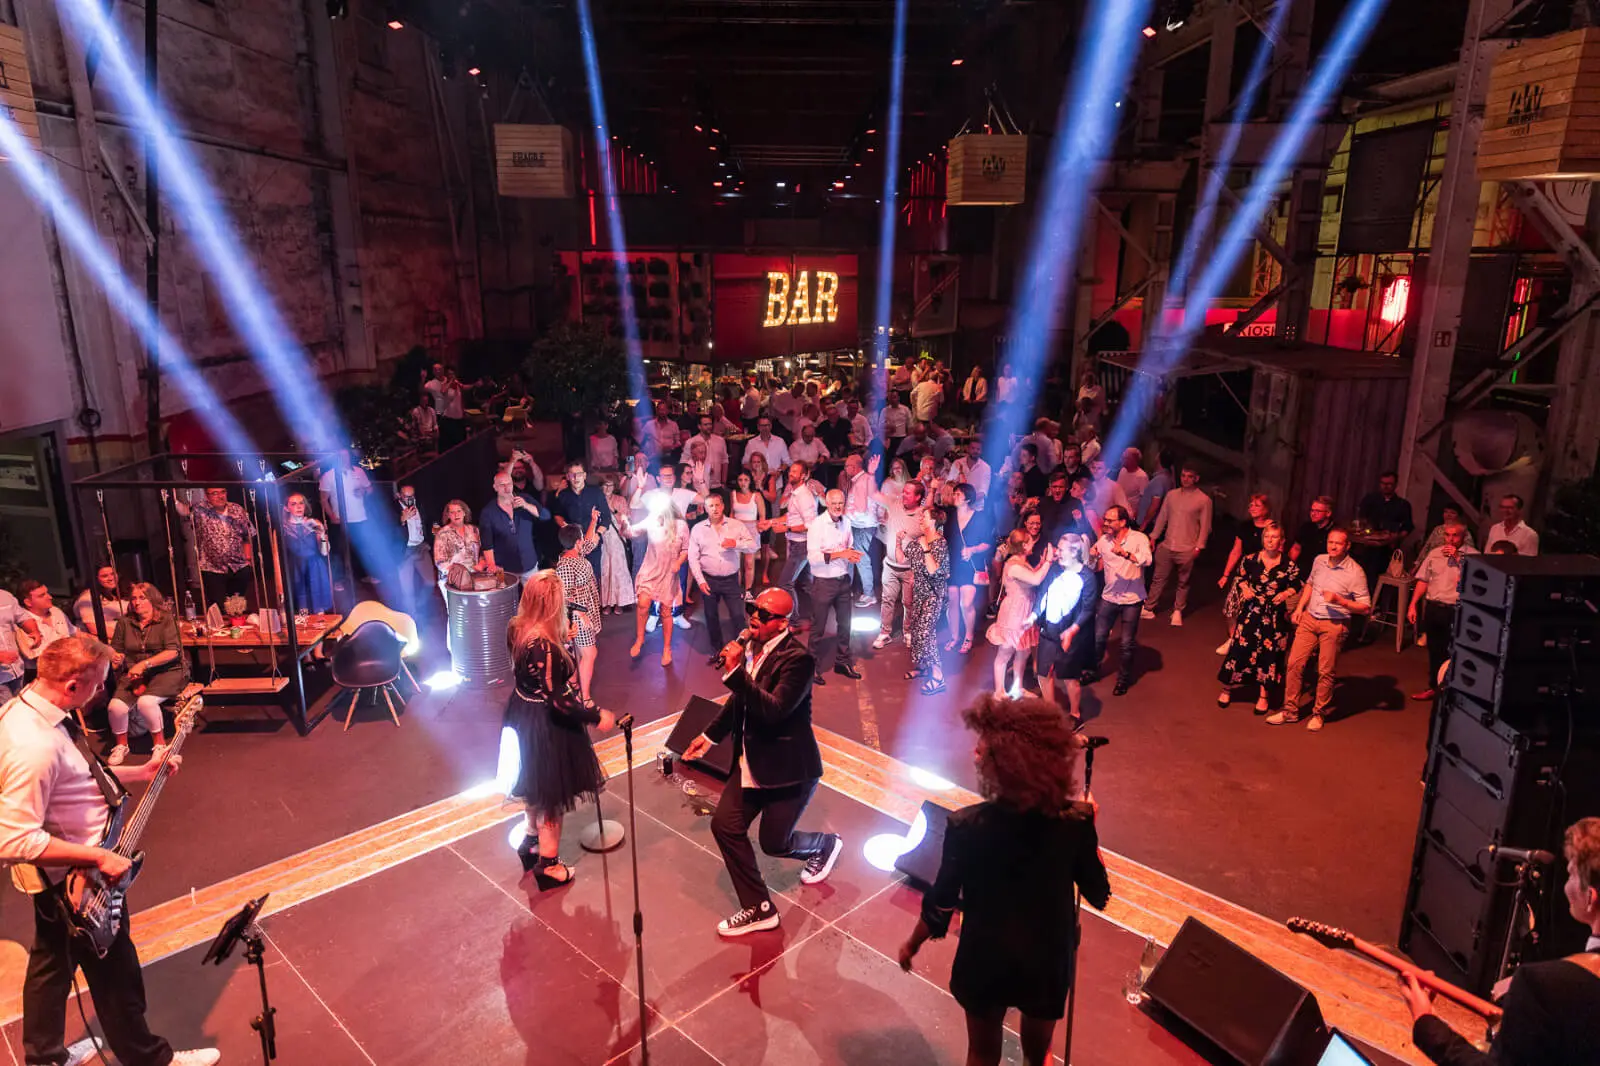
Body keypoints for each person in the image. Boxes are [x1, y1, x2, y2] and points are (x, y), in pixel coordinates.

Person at [0, 636, 220, 1066]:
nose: (103, 693)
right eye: (98, 684)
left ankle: (44, 1058)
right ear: (73, 684)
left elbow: (78, 775)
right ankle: (149, 1060)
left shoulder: (33, 710)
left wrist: (140, 771)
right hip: (79, 883)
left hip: (65, 879)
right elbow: (13, 839)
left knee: (51, 967)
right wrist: (100, 857)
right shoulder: (34, 746)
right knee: (117, 974)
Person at [898, 694, 1110, 1066]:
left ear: (1006, 767)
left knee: (981, 1054)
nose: (974, 756)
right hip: (1045, 962)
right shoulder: (1073, 825)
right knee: (1036, 1056)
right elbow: (1098, 893)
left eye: (982, 753)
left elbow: (941, 901)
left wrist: (913, 944)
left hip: (985, 959)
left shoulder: (965, 826)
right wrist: (1091, 835)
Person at [682, 587, 842, 936]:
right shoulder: (753, 646)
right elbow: (739, 702)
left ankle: (825, 844)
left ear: (783, 622)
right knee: (724, 825)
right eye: (753, 609)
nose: (755, 616)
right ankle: (758, 908)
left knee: (774, 844)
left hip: (788, 771)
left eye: (765, 614)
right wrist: (708, 737)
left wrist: (737, 673)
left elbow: (774, 710)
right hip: (752, 762)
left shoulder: (798, 661)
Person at [1403, 816, 1600, 1065]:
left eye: (1571, 875)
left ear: (1590, 898)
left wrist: (1425, 1021)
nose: (1566, 886)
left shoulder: (1544, 987)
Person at [503, 572, 617, 890]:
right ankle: (548, 865)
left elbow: (533, 674)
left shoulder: (517, 628)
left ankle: (529, 841)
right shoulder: (545, 647)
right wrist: (596, 715)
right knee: (554, 793)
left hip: (522, 711)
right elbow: (559, 702)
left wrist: (563, 638)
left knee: (534, 784)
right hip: (545, 723)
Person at [1267, 528, 1371, 732]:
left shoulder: (1355, 571)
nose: (1332, 546)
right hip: (1310, 618)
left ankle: (1318, 714)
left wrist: (1340, 600)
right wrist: (1299, 608)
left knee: (1325, 671)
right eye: (1330, 542)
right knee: (1294, 664)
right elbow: (1310, 585)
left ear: (1347, 546)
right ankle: (1290, 711)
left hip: (1334, 624)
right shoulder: (1320, 560)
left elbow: (1366, 606)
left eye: (1338, 543)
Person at [1217, 523, 1302, 713]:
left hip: (1274, 615)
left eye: (1274, 537)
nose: (1270, 541)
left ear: (1281, 541)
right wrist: (1246, 589)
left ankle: (1263, 696)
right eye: (1267, 537)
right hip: (1251, 611)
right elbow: (1240, 577)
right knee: (1239, 649)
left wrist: (1285, 593)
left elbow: (1297, 584)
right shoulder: (1250, 559)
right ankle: (1227, 689)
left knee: (1269, 654)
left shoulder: (1288, 565)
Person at [103, 583, 186, 766]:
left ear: (153, 600)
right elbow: (116, 649)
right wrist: (116, 657)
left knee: (146, 702)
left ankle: (159, 746)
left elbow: (173, 652)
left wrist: (144, 664)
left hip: (166, 671)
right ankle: (121, 746)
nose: (137, 602)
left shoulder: (165, 619)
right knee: (115, 707)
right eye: (133, 598)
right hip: (136, 674)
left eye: (142, 598)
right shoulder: (125, 622)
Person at [1407, 523, 1477, 702]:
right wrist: (1413, 604)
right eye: (1447, 535)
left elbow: (1475, 583)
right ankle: (1434, 687)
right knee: (1434, 650)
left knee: (1454, 650)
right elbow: (1423, 580)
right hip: (1434, 607)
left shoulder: (1474, 557)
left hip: (1456, 610)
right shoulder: (1435, 553)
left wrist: (1459, 560)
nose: (1450, 539)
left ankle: (1453, 691)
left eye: (1455, 536)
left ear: (1463, 537)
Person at [690, 490, 759, 666]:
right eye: (710, 506)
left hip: (730, 580)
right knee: (711, 616)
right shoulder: (698, 529)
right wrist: (700, 580)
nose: (715, 509)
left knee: (738, 616)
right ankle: (717, 650)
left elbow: (753, 545)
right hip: (709, 579)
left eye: (717, 505)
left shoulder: (736, 525)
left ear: (723, 506)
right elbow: (692, 557)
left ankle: (745, 652)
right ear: (706, 509)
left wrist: (736, 544)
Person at [805, 489, 864, 687]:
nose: (838, 506)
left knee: (846, 625)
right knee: (818, 629)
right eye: (835, 503)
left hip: (843, 581)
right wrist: (841, 554)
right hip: (823, 583)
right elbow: (813, 558)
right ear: (827, 503)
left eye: (841, 503)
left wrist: (852, 555)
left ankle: (842, 661)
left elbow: (849, 547)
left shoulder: (846, 522)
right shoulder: (817, 525)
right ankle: (811, 667)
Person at [1093, 506, 1153, 696]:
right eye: (1106, 519)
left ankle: (1123, 680)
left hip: (1132, 600)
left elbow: (1147, 560)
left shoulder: (1139, 539)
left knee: (1126, 643)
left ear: (1123, 522)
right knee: (1098, 637)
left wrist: (1126, 554)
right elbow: (1094, 563)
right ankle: (1093, 670)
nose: (1106, 523)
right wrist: (1091, 557)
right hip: (1109, 597)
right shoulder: (1104, 540)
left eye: (1110, 520)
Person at [1037, 535, 1098, 721]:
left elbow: (1088, 609)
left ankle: (1075, 714)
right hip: (1048, 631)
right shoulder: (1055, 570)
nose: (1057, 552)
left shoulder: (1087, 577)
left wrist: (1072, 631)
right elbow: (1043, 595)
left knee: (1070, 677)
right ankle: (1050, 712)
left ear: (1074, 552)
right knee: (1043, 672)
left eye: (1061, 549)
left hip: (1071, 635)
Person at [988, 531, 1053, 699]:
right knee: (1005, 651)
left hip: (1024, 610)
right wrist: (1048, 561)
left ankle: (1017, 687)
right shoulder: (1014, 565)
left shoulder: (1021, 562)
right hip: (1014, 612)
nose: (1033, 544)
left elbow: (1030, 578)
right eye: (1031, 542)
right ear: (1024, 545)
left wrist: (1040, 564)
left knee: (1023, 651)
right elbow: (1035, 580)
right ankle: (999, 691)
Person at [1143, 464, 1211, 626]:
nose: (1185, 479)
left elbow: (1205, 525)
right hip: (1167, 544)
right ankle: (1149, 607)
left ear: (1196, 478)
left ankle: (1178, 610)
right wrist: (1153, 537)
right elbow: (1163, 517)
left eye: (1189, 476)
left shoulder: (1203, 500)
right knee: (1158, 578)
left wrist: (1199, 546)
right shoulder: (1172, 495)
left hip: (1187, 546)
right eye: (1183, 476)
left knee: (1183, 581)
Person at [869, 468, 927, 650]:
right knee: (887, 599)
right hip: (890, 565)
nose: (903, 495)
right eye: (904, 491)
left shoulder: (923, 515)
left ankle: (908, 631)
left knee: (909, 603)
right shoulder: (894, 504)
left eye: (908, 493)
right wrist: (871, 474)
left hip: (910, 568)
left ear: (918, 497)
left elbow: (930, 542)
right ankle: (885, 633)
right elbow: (873, 494)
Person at [628, 499, 689, 666]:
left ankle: (667, 649)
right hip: (650, 569)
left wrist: (678, 562)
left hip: (669, 572)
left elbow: (685, 549)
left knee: (665, 611)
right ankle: (640, 639)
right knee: (643, 603)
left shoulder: (681, 525)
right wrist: (624, 525)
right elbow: (631, 532)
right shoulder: (651, 521)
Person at [174, 486, 255, 610]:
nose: (220, 496)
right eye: (214, 493)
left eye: (223, 492)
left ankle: (236, 627)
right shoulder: (200, 510)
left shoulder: (237, 510)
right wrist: (173, 496)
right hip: (212, 569)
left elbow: (248, 535)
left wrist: (248, 560)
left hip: (238, 567)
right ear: (207, 496)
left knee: (237, 606)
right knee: (218, 607)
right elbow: (183, 510)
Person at [1216, 492, 1273, 655]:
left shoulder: (1272, 527)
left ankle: (1254, 645)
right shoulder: (1245, 526)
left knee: (1258, 611)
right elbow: (1236, 550)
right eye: (1251, 505)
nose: (1252, 508)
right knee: (1230, 609)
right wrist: (1225, 574)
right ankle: (1233, 640)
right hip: (1245, 572)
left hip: (1265, 572)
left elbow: (1279, 551)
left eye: (1257, 505)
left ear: (1266, 509)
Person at [903, 506, 952, 695]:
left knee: (926, 633)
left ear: (933, 521)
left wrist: (925, 549)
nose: (920, 519)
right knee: (916, 631)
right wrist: (900, 543)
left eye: (923, 516)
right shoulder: (919, 541)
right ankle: (924, 668)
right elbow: (907, 561)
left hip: (933, 596)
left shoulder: (940, 544)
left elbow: (934, 570)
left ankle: (938, 678)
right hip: (919, 594)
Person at [945, 484, 992, 655]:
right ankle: (954, 636)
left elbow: (988, 543)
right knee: (952, 601)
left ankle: (969, 636)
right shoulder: (950, 516)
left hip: (971, 565)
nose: (954, 496)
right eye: (954, 493)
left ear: (968, 498)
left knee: (966, 603)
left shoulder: (980, 518)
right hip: (953, 563)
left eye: (958, 494)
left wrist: (972, 550)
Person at [552, 460, 614, 588]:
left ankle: (593, 607)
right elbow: (557, 514)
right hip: (571, 545)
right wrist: (564, 526)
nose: (576, 478)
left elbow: (607, 517)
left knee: (593, 579)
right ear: (568, 477)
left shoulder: (596, 493)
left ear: (585, 475)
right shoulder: (563, 495)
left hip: (592, 544)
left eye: (579, 474)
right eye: (572, 474)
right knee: (571, 582)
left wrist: (597, 534)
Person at [318, 450, 374, 587]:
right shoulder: (328, 476)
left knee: (361, 548)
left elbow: (370, 489)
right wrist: (332, 516)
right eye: (341, 457)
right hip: (340, 519)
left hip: (360, 517)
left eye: (346, 456)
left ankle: (363, 575)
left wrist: (364, 491)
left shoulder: (359, 472)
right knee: (338, 550)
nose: (344, 459)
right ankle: (339, 580)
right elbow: (323, 499)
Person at [479, 470, 544, 584]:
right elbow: (487, 542)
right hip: (503, 568)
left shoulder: (525, 499)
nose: (506, 488)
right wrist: (492, 565)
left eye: (509, 484)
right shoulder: (488, 512)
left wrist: (526, 505)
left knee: (535, 598)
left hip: (529, 564)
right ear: (495, 487)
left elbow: (544, 515)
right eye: (502, 485)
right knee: (505, 600)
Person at [774, 461, 820, 620]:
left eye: (795, 472)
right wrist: (773, 522)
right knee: (807, 584)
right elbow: (792, 516)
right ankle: (817, 616)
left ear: (804, 476)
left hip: (801, 545)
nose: (790, 473)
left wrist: (786, 528)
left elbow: (810, 524)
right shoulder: (795, 493)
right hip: (798, 544)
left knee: (785, 583)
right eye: (790, 471)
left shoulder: (804, 496)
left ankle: (793, 620)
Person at [1355, 470, 1415, 585]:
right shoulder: (1370, 499)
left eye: (1389, 484)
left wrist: (1396, 537)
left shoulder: (1402, 504)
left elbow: (1408, 526)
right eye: (1383, 483)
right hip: (1366, 545)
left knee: (1379, 574)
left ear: (1395, 485)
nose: (1385, 486)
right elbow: (1361, 518)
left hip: (1388, 549)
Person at [281, 492, 333, 614]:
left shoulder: (313, 523)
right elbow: (276, 556)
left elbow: (325, 553)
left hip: (315, 568)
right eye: (294, 504)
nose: (299, 507)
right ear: (287, 508)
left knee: (318, 609)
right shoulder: (283, 527)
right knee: (301, 609)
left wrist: (321, 534)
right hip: (295, 570)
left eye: (301, 503)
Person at [839, 455, 878, 607]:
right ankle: (846, 589)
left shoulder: (862, 482)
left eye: (847, 466)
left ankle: (869, 594)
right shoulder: (862, 480)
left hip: (862, 526)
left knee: (861, 560)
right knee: (851, 557)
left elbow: (861, 509)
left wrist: (843, 513)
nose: (845, 469)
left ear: (854, 467)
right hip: (859, 526)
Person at [395, 484, 435, 618]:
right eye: (406, 497)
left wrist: (429, 539)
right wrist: (401, 520)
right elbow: (386, 530)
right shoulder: (393, 508)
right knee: (407, 589)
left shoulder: (420, 506)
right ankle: (412, 617)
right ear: (400, 496)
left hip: (420, 546)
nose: (410, 499)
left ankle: (418, 606)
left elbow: (428, 522)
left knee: (430, 582)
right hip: (404, 550)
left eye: (412, 496)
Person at [597, 475, 636, 614]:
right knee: (605, 569)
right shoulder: (596, 500)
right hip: (602, 538)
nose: (608, 488)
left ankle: (619, 602)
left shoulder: (620, 500)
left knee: (618, 569)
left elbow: (627, 517)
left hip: (617, 537)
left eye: (611, 485)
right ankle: (607, 603)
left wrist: (615, 512)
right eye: (605, 485)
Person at [16, 582, 75, 670]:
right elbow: (34, 655)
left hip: (68, 668)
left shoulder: (56, 611)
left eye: (47, 593)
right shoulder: (22, 623)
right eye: (42, 595)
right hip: (41, 673)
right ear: (28, 602)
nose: (50, 597)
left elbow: (75, 632)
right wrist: (72, 649)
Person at [729, 470, 768, 598]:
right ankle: (737, 588)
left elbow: (762, 516)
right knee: (736, 561)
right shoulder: (733, 494)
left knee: (749, 562)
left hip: (751, 528)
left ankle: (748, 590)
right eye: (740, 480)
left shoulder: (756, 496)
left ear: (750, 481)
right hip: (736, 527)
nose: (743, 483)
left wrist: (759, 529)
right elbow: (732, 513)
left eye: (746, 480)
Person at [72, 566, 127, 644]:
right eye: (105, 576)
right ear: (96, 579)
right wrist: (125, 637)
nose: (111, 578)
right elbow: (94, 628)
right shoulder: (88, 598)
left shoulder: (116, 593)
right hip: (101, 644)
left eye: (112, 574)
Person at [432, 499, 483, 580]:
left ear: (464, 512)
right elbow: (440, 562)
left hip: (475, 574)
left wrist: (481, 564)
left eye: (459, 511)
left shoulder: (474, 530)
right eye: (452, 512)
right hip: (452, 578)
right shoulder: (442, 534)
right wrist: (458, 574)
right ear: (448, 515)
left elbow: (483, 552)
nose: (456, 515)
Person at [0, 588, 36, 700]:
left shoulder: (5, 596)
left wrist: (34, 631)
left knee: (17, 709)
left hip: (17, 669)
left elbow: (22, 617)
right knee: (6, 714)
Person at [424, 364, 469, 449]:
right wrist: (450, 381)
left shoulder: (457, 384)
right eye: (449, 374)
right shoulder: (444, 384)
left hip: (459, 419)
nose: (451, 376)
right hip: (448, 419)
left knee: (461, 444)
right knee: (448, 445)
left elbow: (463, 390)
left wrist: (475, 385)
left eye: (453, 374)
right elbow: (443, 391)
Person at [1290, 495, 1336, 566]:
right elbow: (1296, 548)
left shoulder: (1335, 531)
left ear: (1328, 513)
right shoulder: (1306, 527)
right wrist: (1289, 566)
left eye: (1318, 511)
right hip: (1301, 568)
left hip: (1323, 570)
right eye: (1312, 510)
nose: (1313, 514)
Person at [686, 414, 729, 488]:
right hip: (698, 486)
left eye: (710, 424)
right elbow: (685, 463)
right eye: (706, 424)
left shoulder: (720, 440)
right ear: (699, 426)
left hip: (717, 485)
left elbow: (724, 461)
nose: (709, 427)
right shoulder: (691, 442)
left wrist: (723, 482)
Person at [1138, 448, 1175, 532]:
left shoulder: (1159, 480)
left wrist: (1144, 524)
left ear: (1159, 459)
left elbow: (1155, 504)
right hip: (1153, 523)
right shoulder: (1168, 478)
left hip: (1149, 525)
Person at [1115, 448, 1148, 522]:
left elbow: (1143, 499)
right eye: (1122, 457)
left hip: (1130, 514)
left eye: (1125, 458)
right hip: (1118, 510)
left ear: (1133, 460)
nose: (1121, 459)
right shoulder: (1123, 470)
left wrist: (1135, 516)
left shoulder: (1142, 476)